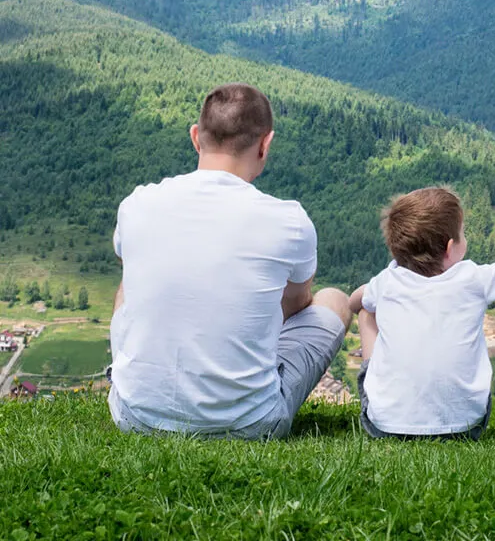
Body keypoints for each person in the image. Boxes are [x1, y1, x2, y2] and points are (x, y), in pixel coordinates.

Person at [108, 83, 351, 438]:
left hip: (135, 418)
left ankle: (145, 386)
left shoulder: (137, 204)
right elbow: (296, 306)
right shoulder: (289, 220)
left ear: (196, 137)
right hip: (251, 425)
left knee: (127, 284)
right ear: (266, 144)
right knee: (335, 300)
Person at [349, 179, 495, 439]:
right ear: (450, 248)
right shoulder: (473, 279)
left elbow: (354, 301)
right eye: (463, 232)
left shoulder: (386, 282)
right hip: (465, 428)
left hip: (384, 428)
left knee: (366, 312)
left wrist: (368, 307)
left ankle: (389, 400)